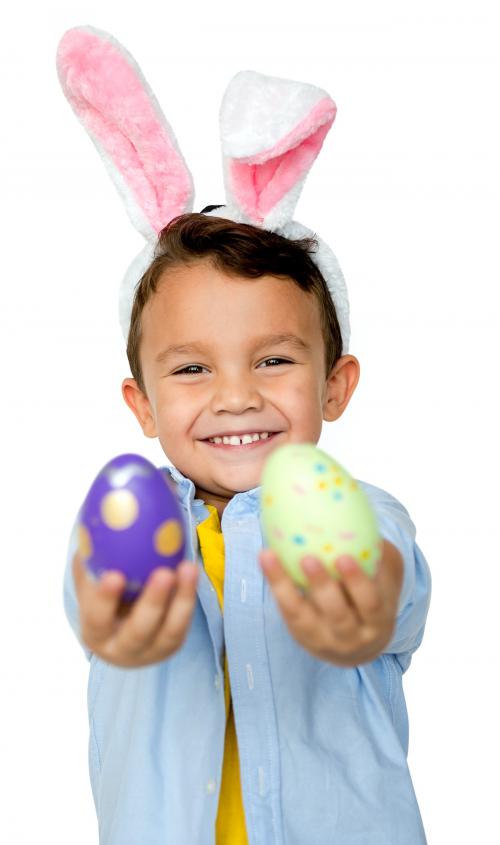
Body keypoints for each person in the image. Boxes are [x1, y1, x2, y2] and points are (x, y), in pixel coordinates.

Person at [58, 26, 431, 844]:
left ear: (335, 385)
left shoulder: (363, 511)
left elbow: (395, 593)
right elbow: (87, 603)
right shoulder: (134, 521)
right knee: (122, 547)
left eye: (272, 360)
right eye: (191, 371)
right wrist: (117, 605)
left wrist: (358, 591)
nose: (235, 396)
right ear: (142, 404)